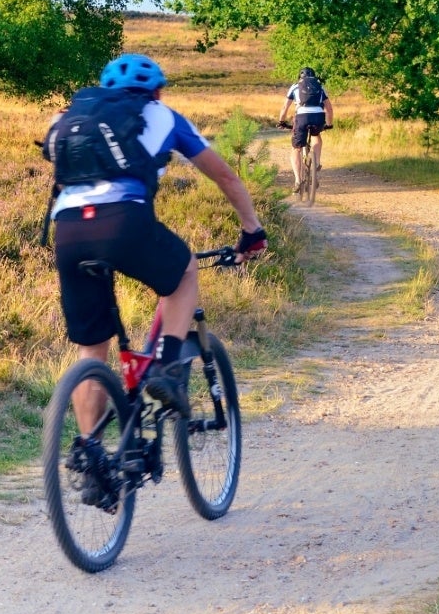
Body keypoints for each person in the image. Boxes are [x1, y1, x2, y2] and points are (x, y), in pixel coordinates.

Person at [44, 52, 267, 429]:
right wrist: (252, 230)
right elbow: (226, 178)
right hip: (123, 223)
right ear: (158, 93)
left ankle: (90, 458)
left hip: (67, 231)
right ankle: (164, 369)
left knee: (93, 351)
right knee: (183, 271)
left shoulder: (70, 118)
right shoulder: (166, 117)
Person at [277, 66, 334, 199]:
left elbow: (285, 106)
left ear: (300, 77)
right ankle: (316, 163)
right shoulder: (320, 86)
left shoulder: (295, 86)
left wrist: (281, 121)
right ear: (314, 76)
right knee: (316, 135)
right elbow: (329, 108)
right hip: (318, 116)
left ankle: (298, 180)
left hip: (301, 117)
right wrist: (329, 124)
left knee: (296, 148)